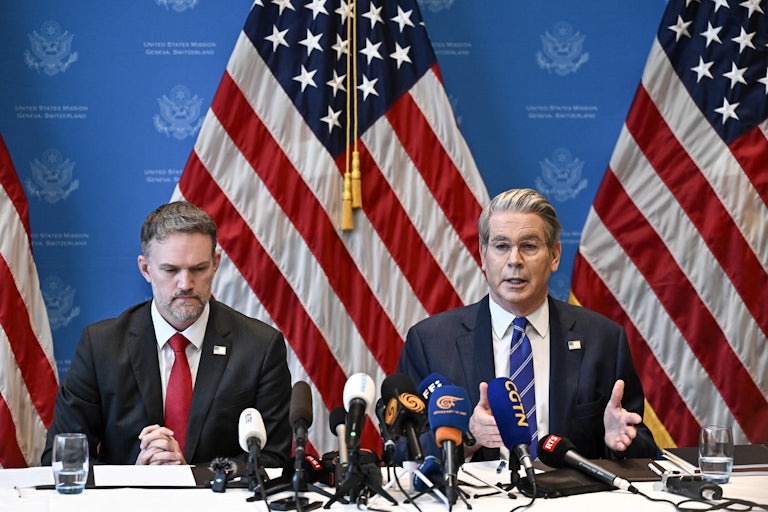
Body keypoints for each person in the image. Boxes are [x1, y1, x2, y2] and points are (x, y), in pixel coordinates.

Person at [398, 188, 658, 461]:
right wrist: (468, 437)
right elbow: (402, 451)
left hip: (569, 500)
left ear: (554, 255)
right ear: (483, 255)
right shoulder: (430, 343)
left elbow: (643, 446)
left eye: (529, 246)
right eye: (501, 246)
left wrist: (619, 443)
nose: (514, 261)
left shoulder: (603, 340)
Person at [42, 201, 292, 467]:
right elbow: (60, 458)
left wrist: (192, 474)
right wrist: (134, 477)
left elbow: (273, 458)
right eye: (170, 270)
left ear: (216, 263)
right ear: (145, 269)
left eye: (198, 268)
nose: (186, 284)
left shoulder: (260, 347)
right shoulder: (101, 347)